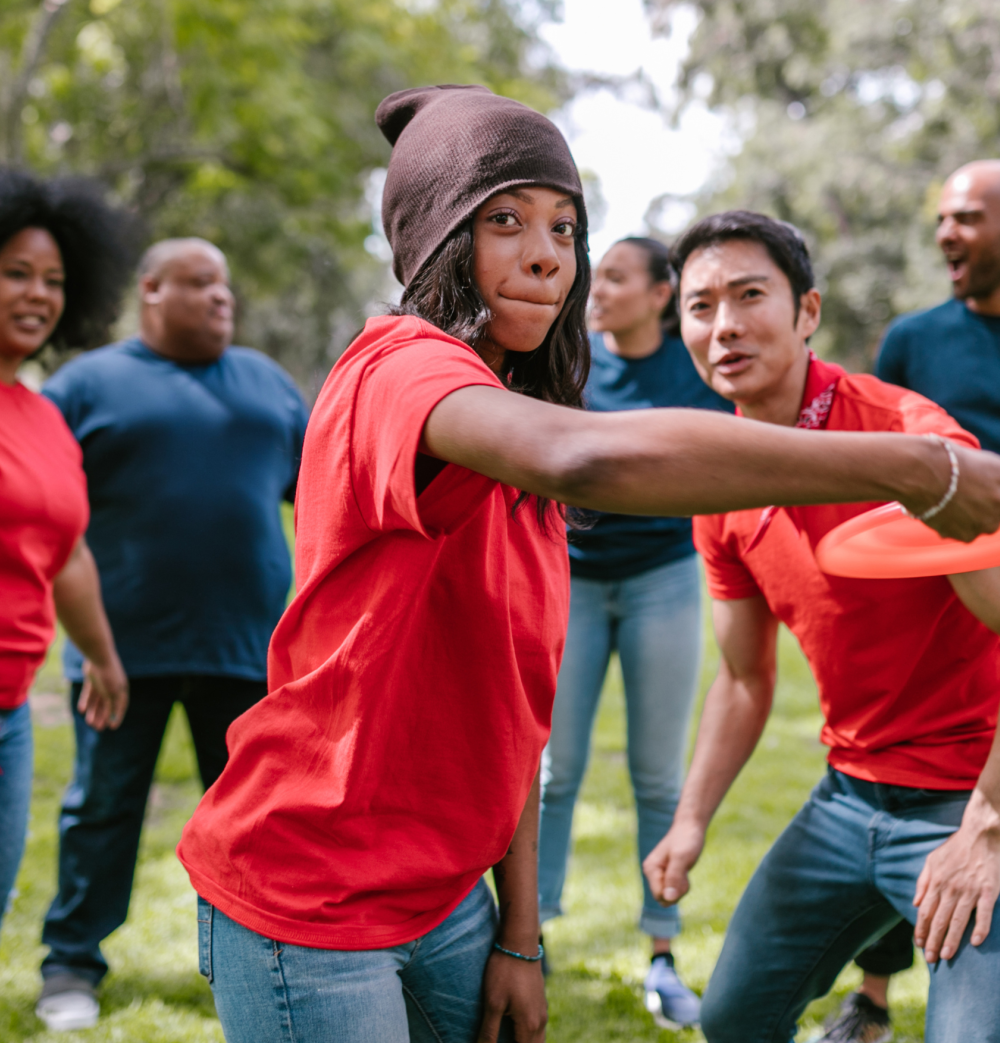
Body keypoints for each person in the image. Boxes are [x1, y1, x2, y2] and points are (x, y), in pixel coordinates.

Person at [175, 85, 1000, 1043]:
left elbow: (513, 708)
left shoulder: (513, 449)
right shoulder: (397, 370)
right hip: (312, 891)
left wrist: (520, 932)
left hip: (447, 900)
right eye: (505, 221)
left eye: (566, 228)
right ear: (437, 238)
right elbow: (590, 458)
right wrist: (912, 470)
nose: (546, 254)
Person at [643, 210, 1000, 1043]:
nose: (724, 324)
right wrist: (691, 820)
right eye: (700, 307)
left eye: (749, 295)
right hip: (847, 800)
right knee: (733, 1022)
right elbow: (741, 675)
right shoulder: (719, 483)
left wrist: (986, 830)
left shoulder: (913, 447)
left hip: (968, 799)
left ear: (807, 312)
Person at [35, 237, 309, 1031]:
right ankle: (70, 964)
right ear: (151, 290)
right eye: (199, 284)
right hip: (118, 656)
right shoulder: (84, 386)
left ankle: (268, 960)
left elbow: (322, 500)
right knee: (102, 809)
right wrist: (90, 648)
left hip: (248, 650)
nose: (221, 298)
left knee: (254, 821)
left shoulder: (266, 383)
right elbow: (46, 516)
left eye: (225, 285)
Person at [817, 162, 1000, 1043]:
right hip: (942, 600)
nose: (945, 235)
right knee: (905, 799)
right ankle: (875, 1000)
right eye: (941, 218)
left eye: (967, 217)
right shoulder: (916, 339)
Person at [537, 235, 731, 1029]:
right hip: (572, 580)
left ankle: (662, 955)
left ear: (660, 293)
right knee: (554, 770)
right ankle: (530, 940)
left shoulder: (695, 370)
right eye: (598, 277)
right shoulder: (566, 360)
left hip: (663, 581)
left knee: (658, 777)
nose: (597, 290)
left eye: (616, 278)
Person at [0, 170, 130, 950]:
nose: (38, 295)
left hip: (12, 712)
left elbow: (66, 549)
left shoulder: (43, 415)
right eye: (15, 273)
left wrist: (102, 658)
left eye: (53, 280)